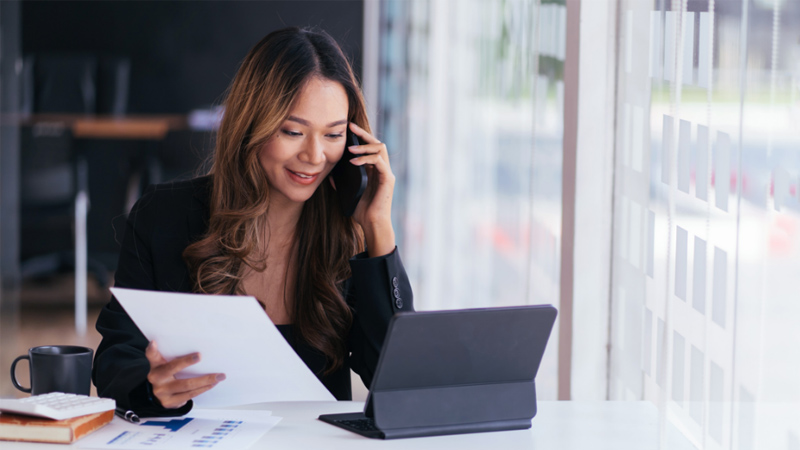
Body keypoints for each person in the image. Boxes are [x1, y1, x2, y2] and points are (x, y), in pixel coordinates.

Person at [92, 27, 413, 416]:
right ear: (251, 124)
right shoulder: (165, 217)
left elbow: (399, 378)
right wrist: (150, 383)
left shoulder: (349, 236)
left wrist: (378, 228)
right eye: (293, 131)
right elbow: (114, 359)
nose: (315, 155)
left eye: (333, 134)